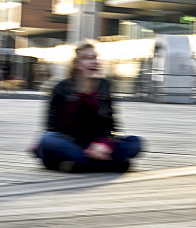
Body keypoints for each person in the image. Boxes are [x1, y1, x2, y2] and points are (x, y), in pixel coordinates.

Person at [31, 42, 143, 173]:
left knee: (135, 142)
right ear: (77, 64)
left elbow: (111, 127)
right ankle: (104, 163)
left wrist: (103, 144)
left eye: (95, 57)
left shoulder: (104, 86)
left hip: (96, 144)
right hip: (70, 143)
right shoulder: (61, 88)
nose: (94, 62)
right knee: (48, 139)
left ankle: (77, 164)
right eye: (87, 58)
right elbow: (52, 128)